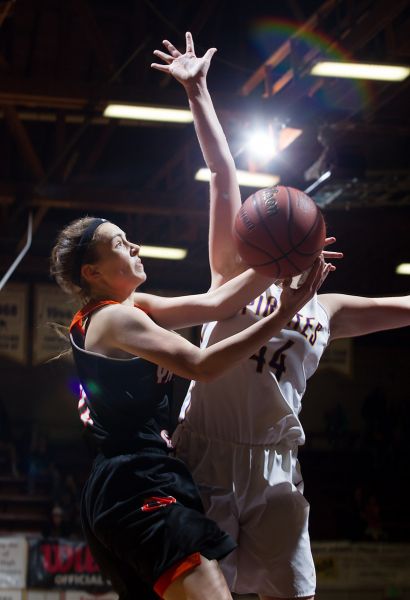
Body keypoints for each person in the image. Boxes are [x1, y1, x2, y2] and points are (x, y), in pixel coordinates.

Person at [151, 32, 410, 600]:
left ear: (320, 241)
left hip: (276, 464)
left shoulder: (329, 308)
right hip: (206, 451)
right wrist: (198, 92)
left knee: (293, 594)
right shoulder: (229, 273)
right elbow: (223, 177)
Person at [50, 215, 332, 600]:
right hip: (132, 485)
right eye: (119, 243)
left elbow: (217, 304)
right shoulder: (114, 318)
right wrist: (283, 314)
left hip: (144, 477)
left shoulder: (132, 307)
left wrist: (282, 262)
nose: (134, 247)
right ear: (92, 271)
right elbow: (202, 365)